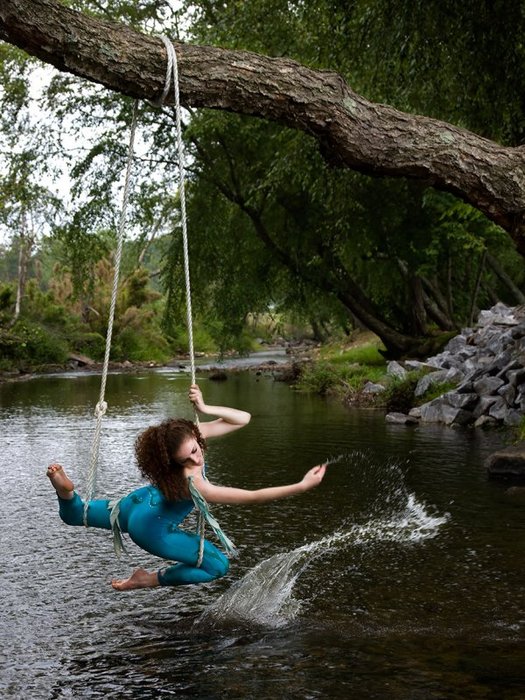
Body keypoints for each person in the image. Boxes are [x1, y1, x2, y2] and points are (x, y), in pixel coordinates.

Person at [47, 384, 326, 591]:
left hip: (137, 503)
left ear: (194, 435)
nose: (197, 457)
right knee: (217, 566)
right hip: (151, 530)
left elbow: (243, 418)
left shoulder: (192, 438)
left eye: (195, 449)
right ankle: (149, 579)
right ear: (172, 463)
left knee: (75, 514)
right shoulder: (195, 483)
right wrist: (301, 486)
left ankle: (65, 492)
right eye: (187, 458)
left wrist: (205, 408)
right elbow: (252, 497)